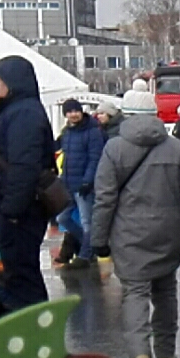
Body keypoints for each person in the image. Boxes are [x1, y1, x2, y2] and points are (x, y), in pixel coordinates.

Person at [91, 81, 180, 358]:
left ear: (126, 114)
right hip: (169, 232)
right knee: (165, 292)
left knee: (135, 293)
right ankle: (166, 354)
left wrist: (99, 240)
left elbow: (104, 198)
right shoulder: (175, 147)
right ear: (154, 113)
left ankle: (139, 354)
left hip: (128, 235)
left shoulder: (114, 148)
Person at [0, 55, 56, 318]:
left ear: (12, 83)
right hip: (11, 212)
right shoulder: (14, 112)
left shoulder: (24, 114)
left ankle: (36, 331)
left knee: (22, 279)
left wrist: (10, 213)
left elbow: (24, 168)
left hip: (19, 215)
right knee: (12, 277)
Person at [55, 98, 105, 266]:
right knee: (62, 218)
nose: (73, 114)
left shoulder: (93, 132)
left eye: (76, 111)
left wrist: (87, 181)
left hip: (84, 185)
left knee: (87, 222)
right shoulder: (67, 132)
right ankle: (87, 245)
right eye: (69, 112)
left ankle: (85, 255)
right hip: (68, 184)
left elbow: (95, 158)